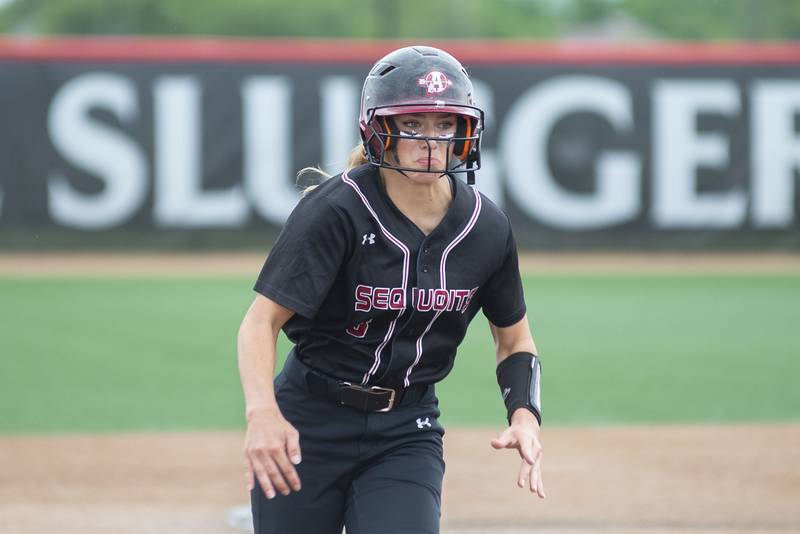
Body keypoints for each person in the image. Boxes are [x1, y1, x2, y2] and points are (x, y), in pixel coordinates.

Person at [237, 45, 544, 534]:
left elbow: (515, 340)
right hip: (308, 423)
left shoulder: (486, 226)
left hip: (407, 428)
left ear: (466, 132)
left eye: (445, 125)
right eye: (412, 124)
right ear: (378, 130)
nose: (430, 141)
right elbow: (260, 322)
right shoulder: (337, 209)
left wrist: (525, 415)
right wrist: (262, 416)